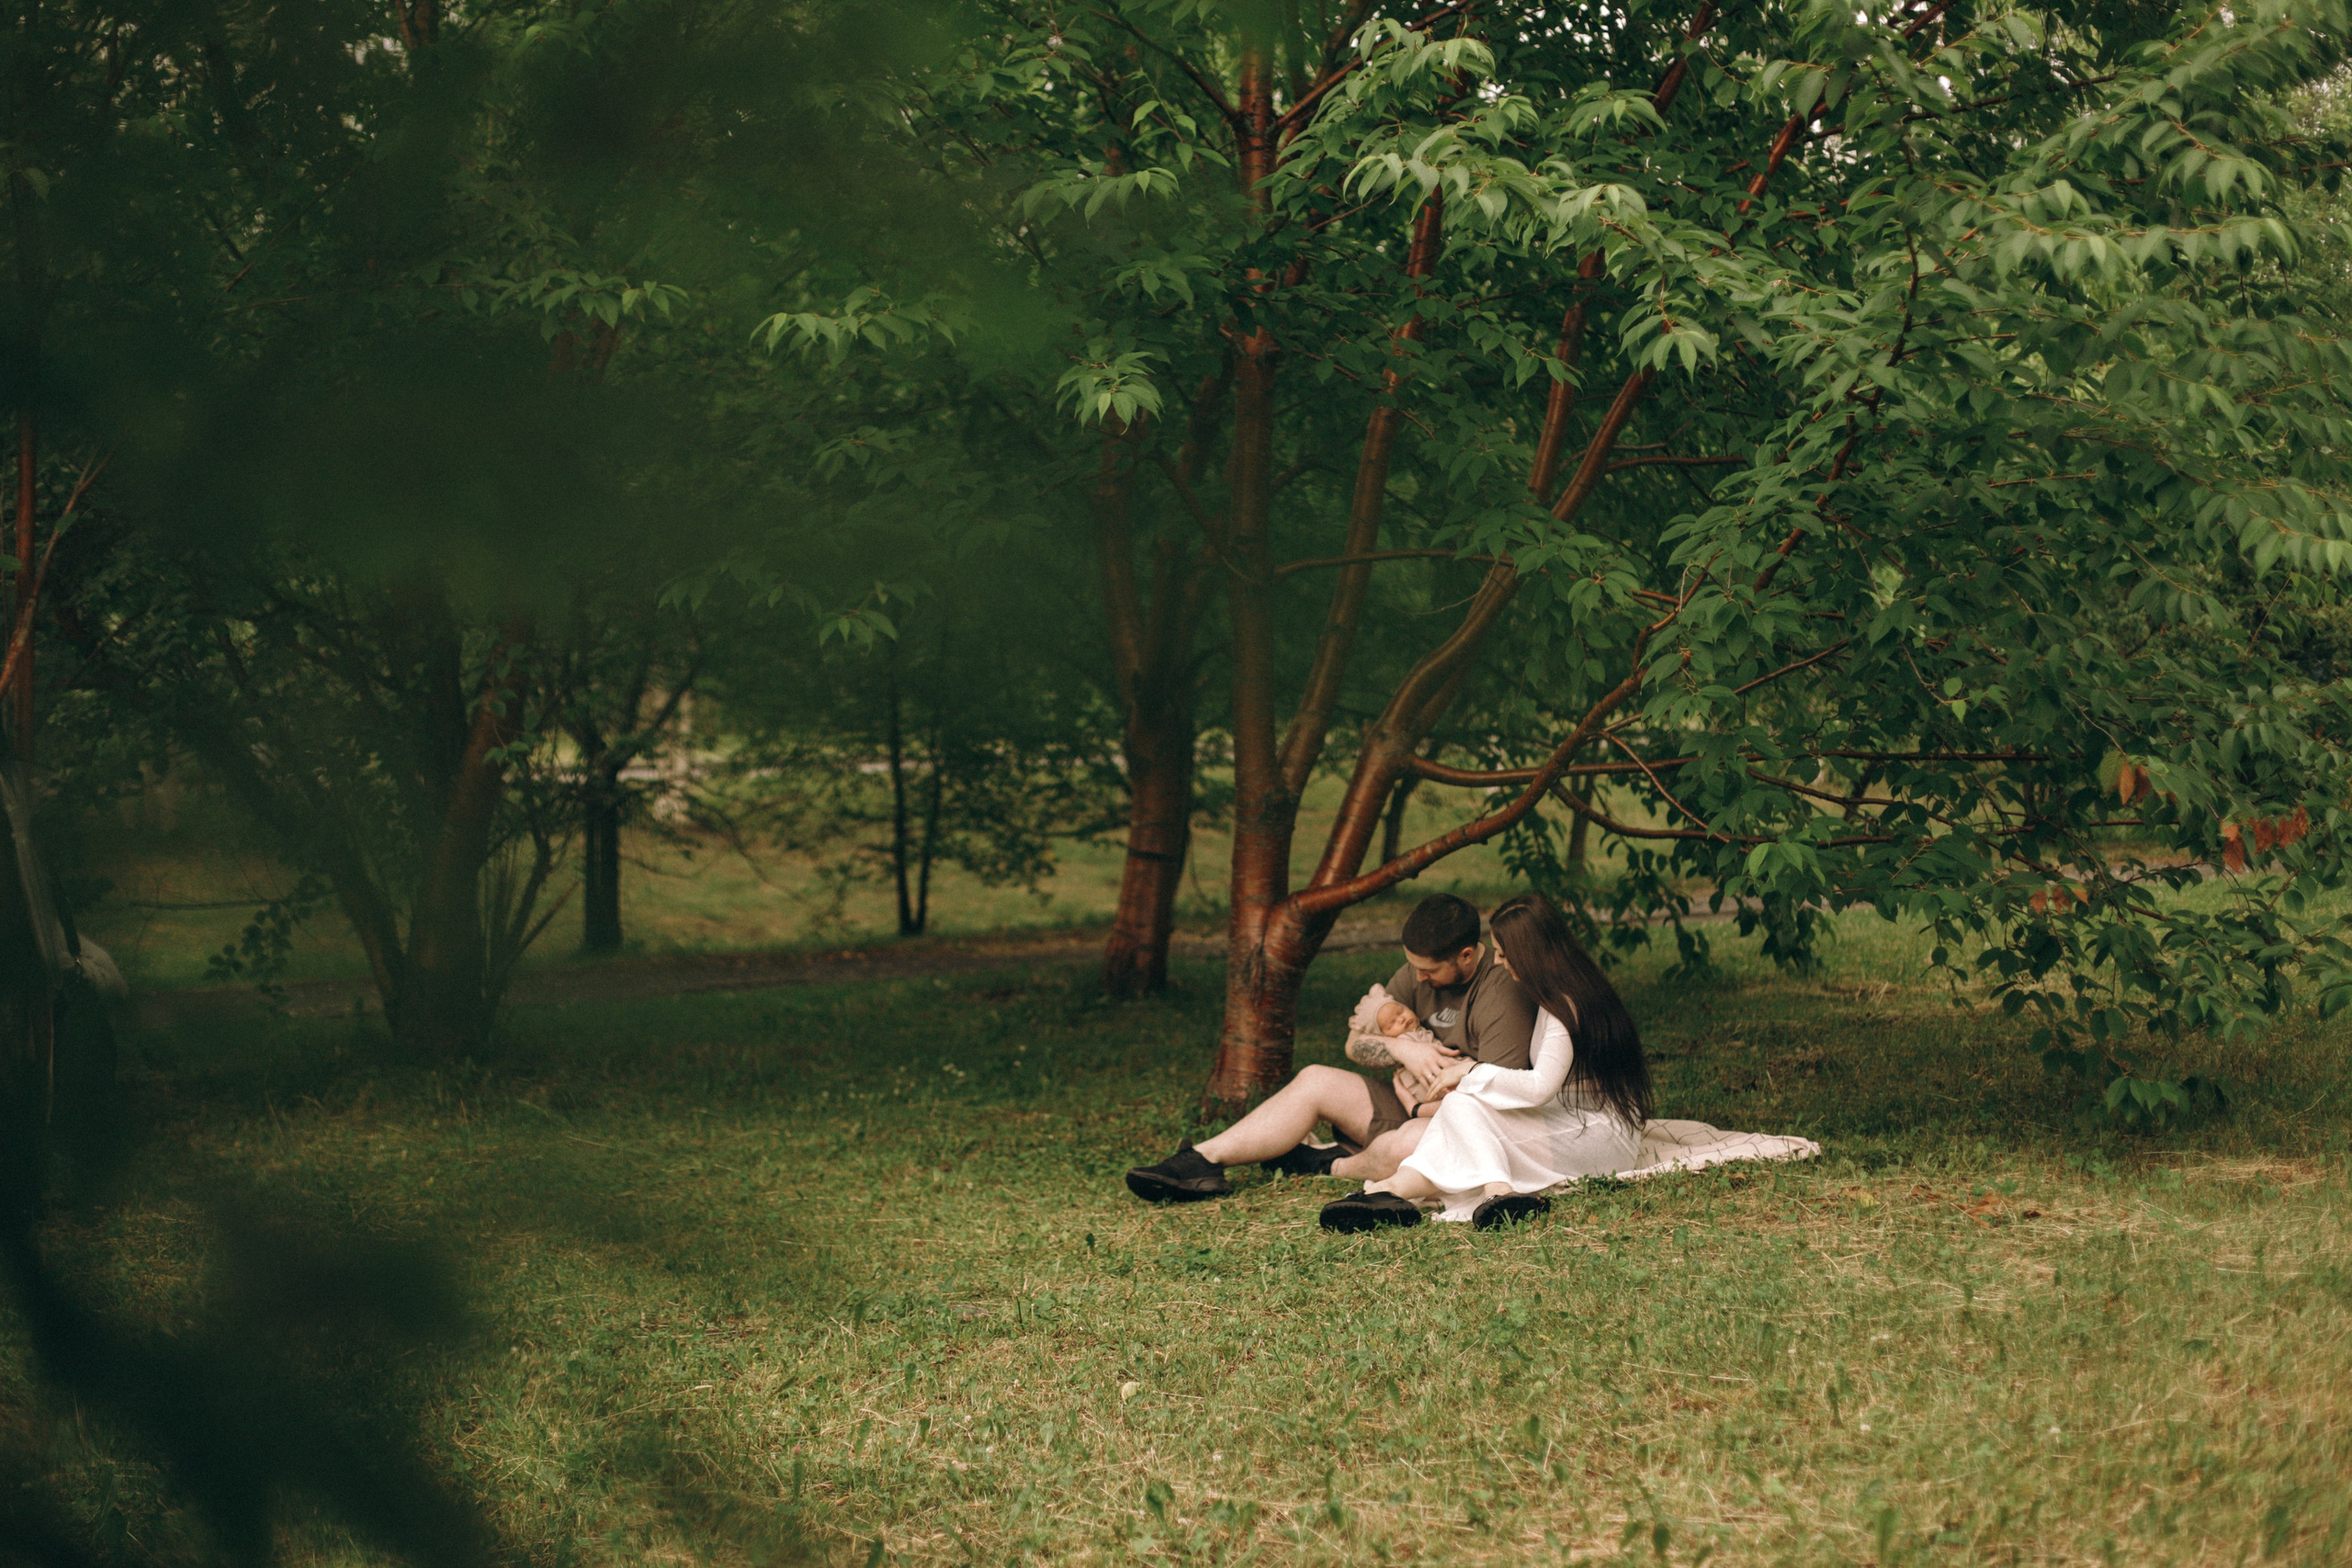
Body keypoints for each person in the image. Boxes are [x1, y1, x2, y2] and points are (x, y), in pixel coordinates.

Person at [1123, 893, 1539, 1204]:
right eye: (1413, 966)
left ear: (1465, 956)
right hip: (1407, 1100)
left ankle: (1327, 1162)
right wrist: (1404, 1052)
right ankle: (1202, 1161)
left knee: (1406, 1147)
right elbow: (1355, 1044)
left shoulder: (1501, 992)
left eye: (1428, 970)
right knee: (1315, 1079)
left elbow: (1495, 1100)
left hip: (1458, 1125)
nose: (1417, 978)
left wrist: (1416, 1110)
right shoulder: (1417, 973)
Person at [1318, 891, 1653, 1233]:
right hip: (1562, 1121)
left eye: (1504, 954)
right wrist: (1466, 1079)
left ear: (1530, 954)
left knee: (1466, 1117)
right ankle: (1387, 1193)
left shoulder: (1567, 1004)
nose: (1498, 962)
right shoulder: (1550, 997)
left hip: (1600, 1136)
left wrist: (1470, 1070)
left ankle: (1495, 1193)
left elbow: (1540, 1088)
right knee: (1461, 1106)